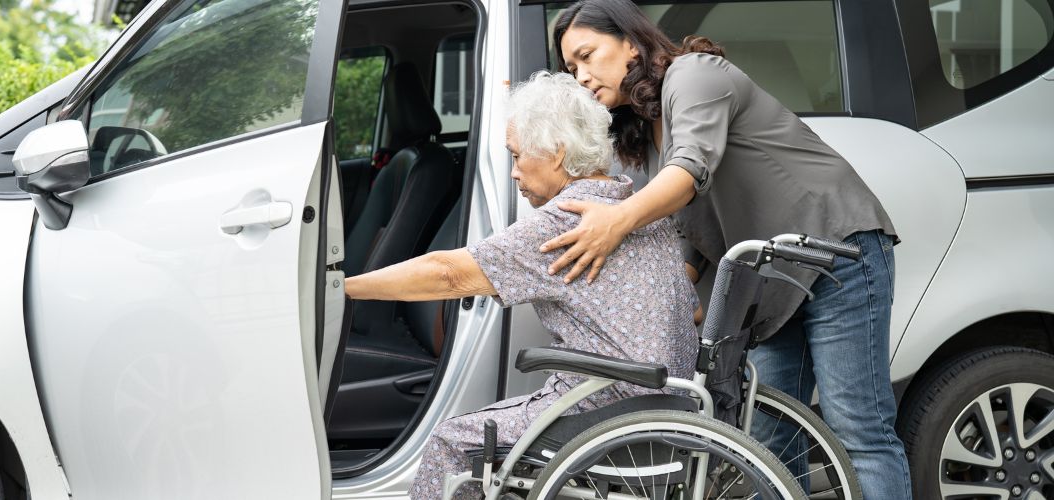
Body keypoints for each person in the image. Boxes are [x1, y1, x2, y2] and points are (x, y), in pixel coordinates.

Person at [540, 0, 911, 497]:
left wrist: (617, 221)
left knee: (858, 431)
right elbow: (692, 228)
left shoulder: (693, 75)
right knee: (769, 443)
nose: (581, 75)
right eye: (571, 68)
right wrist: (673, 296)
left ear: (631, 41)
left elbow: (691, 171)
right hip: (774, 281)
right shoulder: (645, 132)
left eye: (587, 55)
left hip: (835, 250)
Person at [344, 71, 698, 500]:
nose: (513, 172)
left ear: (556, 153)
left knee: (452, 441)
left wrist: (342, 289)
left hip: (610, 406)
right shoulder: (633, 202)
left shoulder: (566, 219)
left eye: (516, 156)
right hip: (670, 401)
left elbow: (449, 273)